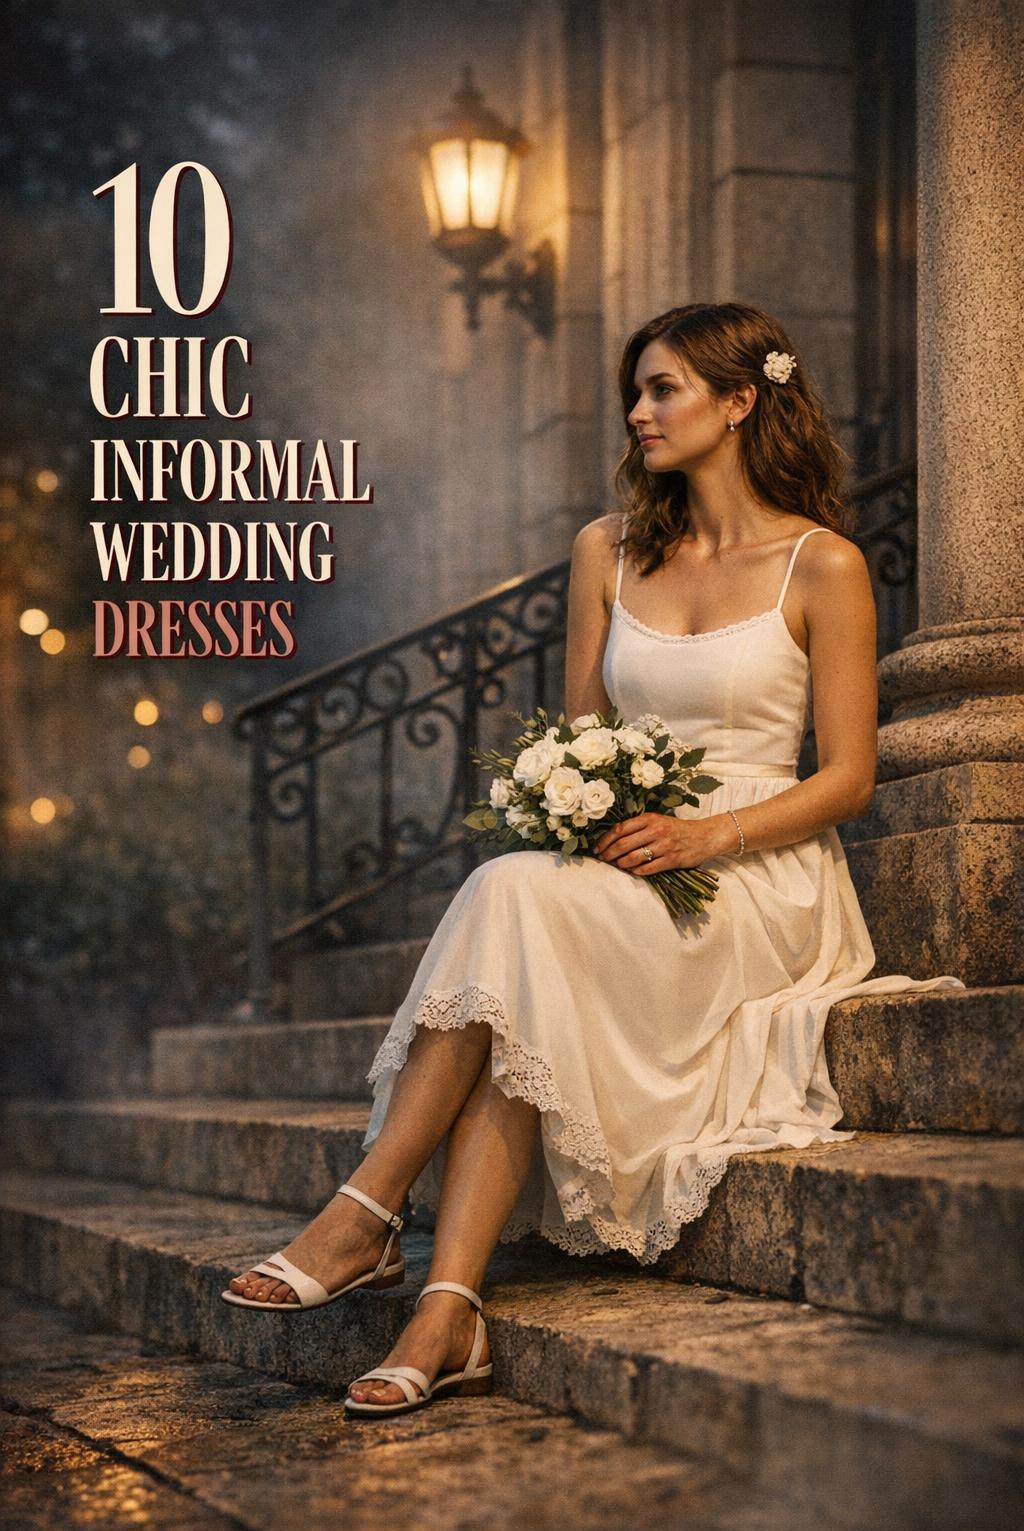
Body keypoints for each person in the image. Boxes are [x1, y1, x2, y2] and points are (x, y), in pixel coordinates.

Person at [222, 302, 966, 1416]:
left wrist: (706, 834)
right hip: (619, 863)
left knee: (514, 912)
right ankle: (446, 1307)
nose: (638, 411)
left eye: (663, 387)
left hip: (756, 872)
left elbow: (848, 778)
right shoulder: (607, 553)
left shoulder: (825, 566)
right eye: (637, 389)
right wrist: (584, 823)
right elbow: (577, 740)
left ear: (739, 400)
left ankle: (371, 1216)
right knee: (526, 920)